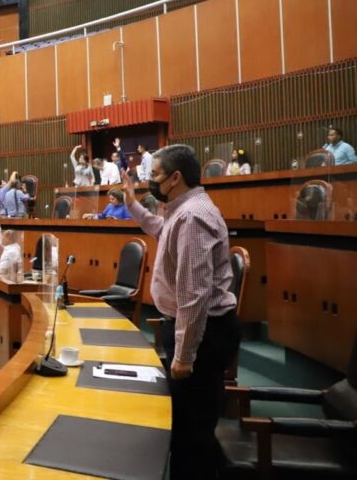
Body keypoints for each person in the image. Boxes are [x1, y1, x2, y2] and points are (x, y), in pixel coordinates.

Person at [121, 144, 240, 479]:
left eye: (155, 174)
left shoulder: (191, 216)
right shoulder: (182, 210)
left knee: (192, 430)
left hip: (204, 333)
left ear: (176, 178)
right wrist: (132, 205)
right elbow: (161, 229)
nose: (150, 181)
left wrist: (185, 355)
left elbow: (193, 295)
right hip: (202, 328)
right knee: (190, 422)